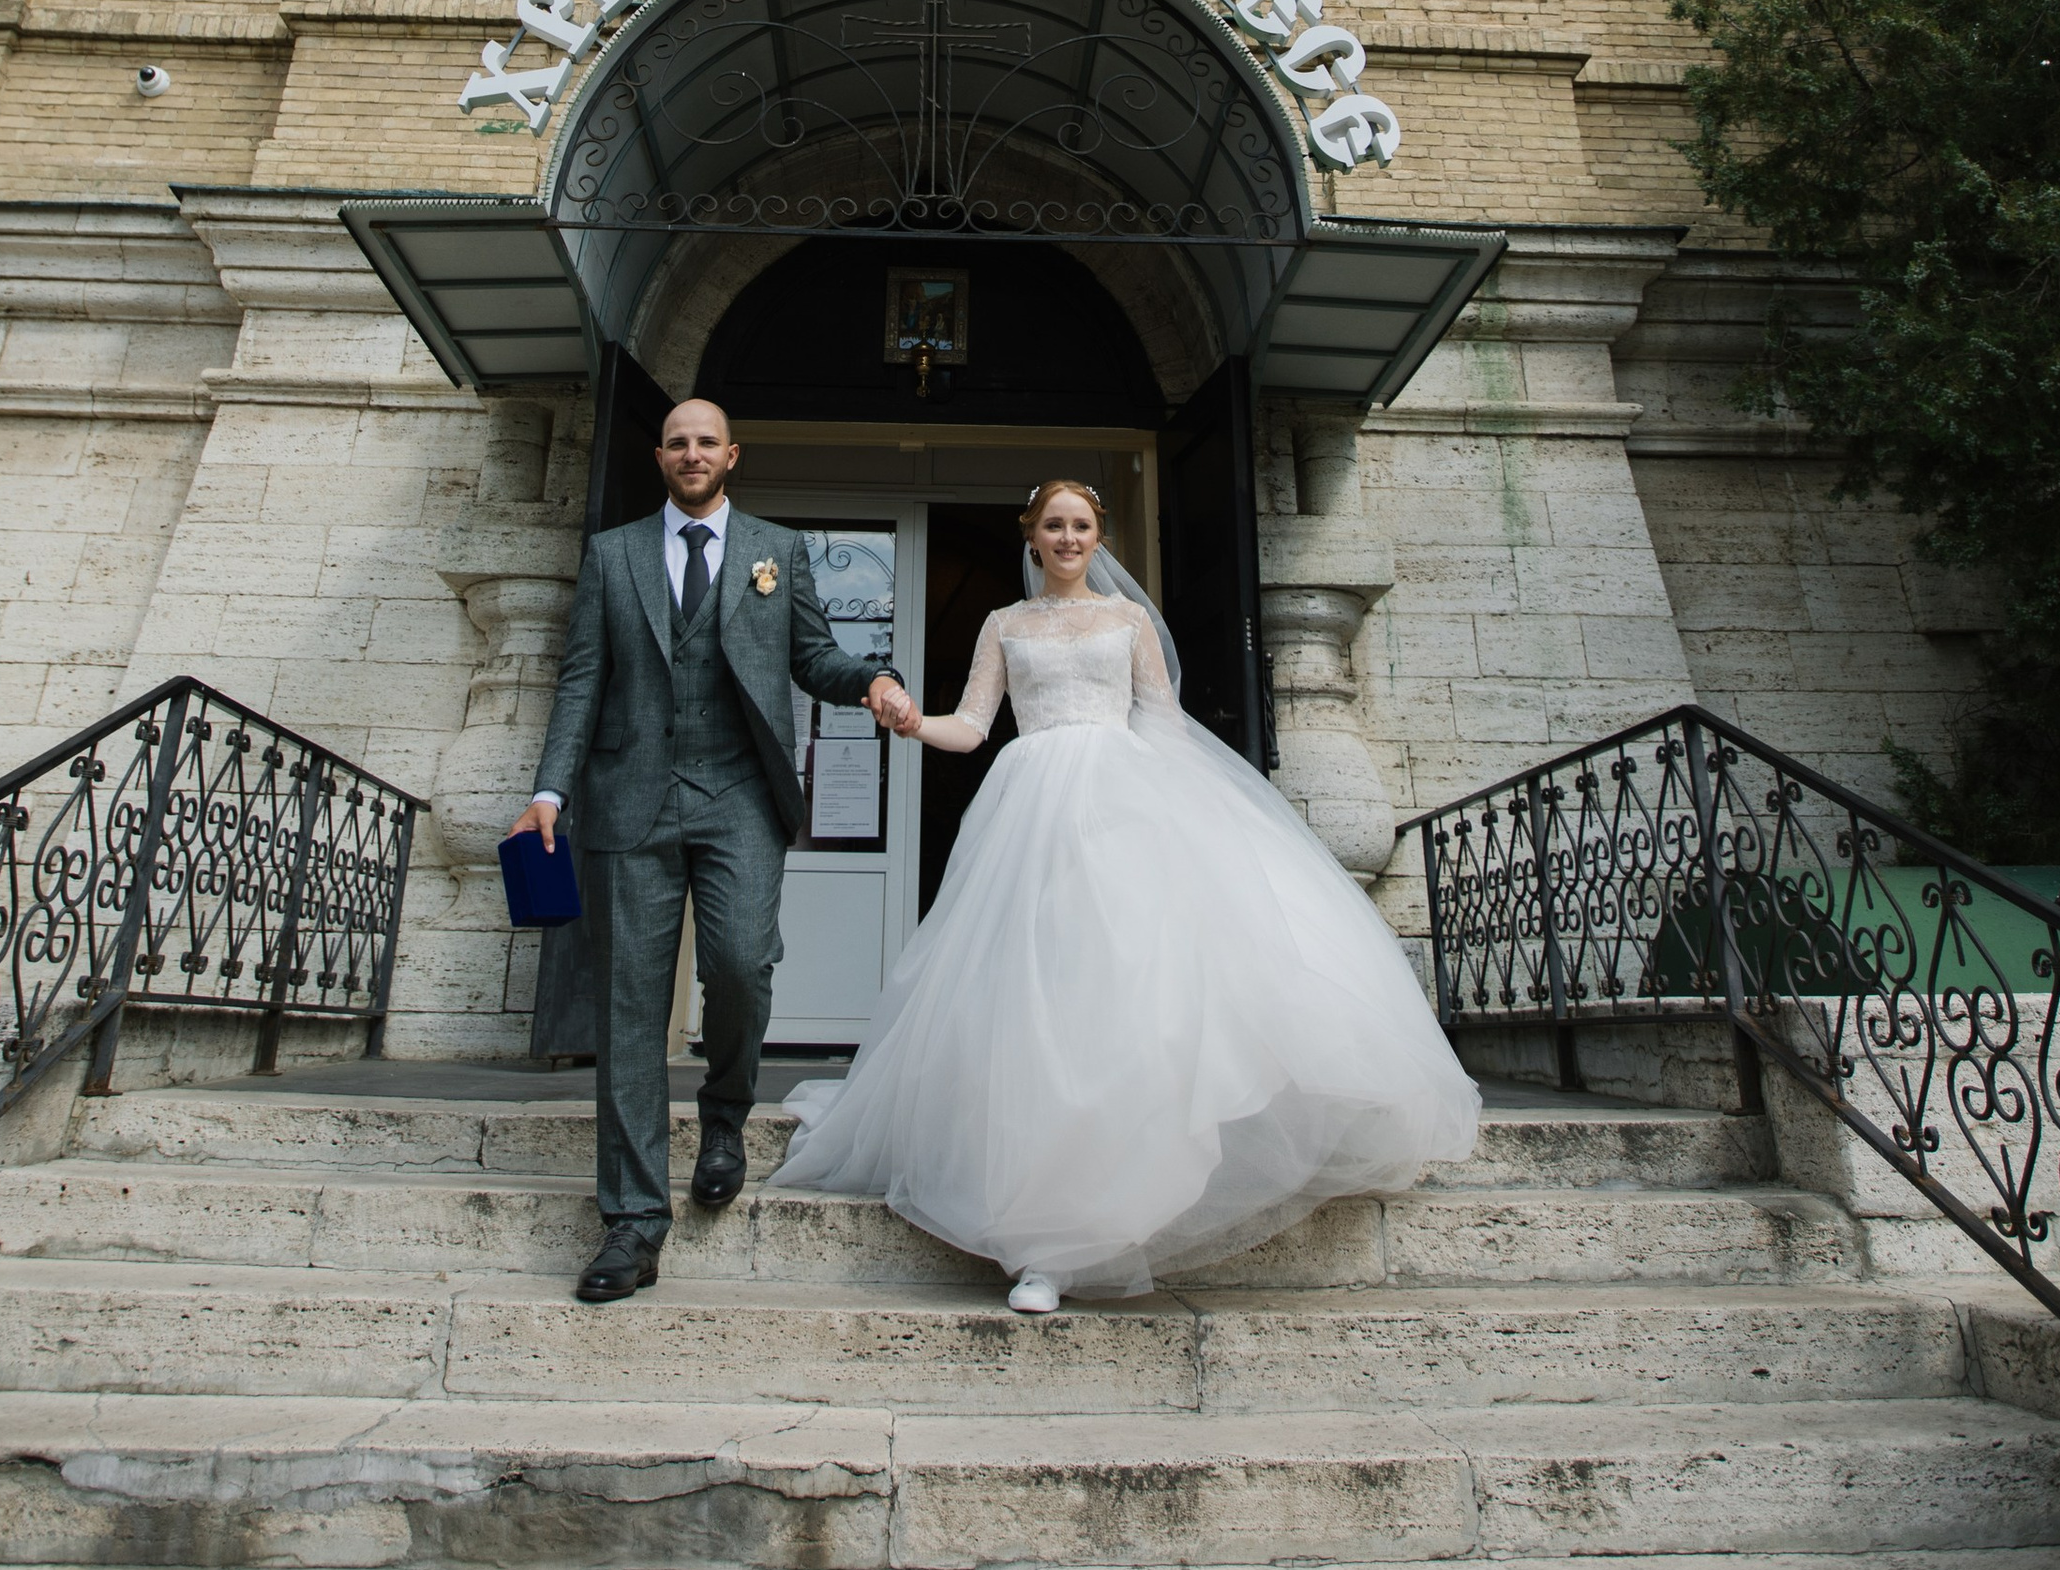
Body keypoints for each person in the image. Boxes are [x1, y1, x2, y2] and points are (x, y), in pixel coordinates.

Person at [774, 476, 1480, 1309]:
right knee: (1038, 1004)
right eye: (1054, 527)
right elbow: (971, 725)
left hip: (1119, 807)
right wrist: (911, 724)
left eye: (1081, 527)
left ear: (1098, 538)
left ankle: (1117, 1206)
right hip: (1030, 813)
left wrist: (1182, 819)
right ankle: (1044, 1241)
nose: (1069, 539)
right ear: (1031, 536)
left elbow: (1164, 722)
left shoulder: (1128, 620)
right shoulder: (1004, 625)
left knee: (1129, 997)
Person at [508, 396, 911, 1303]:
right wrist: (548, 793)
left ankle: (725, 1114)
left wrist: (873, 682)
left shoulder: (779, 547)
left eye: (707, 443)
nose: (693, 454)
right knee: (628, 1007)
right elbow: (581, 680)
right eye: (677, 443)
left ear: (733, 455)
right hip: (629, 800)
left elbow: (815, 656)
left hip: (737, 797)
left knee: (738, 967)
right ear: (660, 457)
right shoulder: (613, 554)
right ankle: (632, 1222)